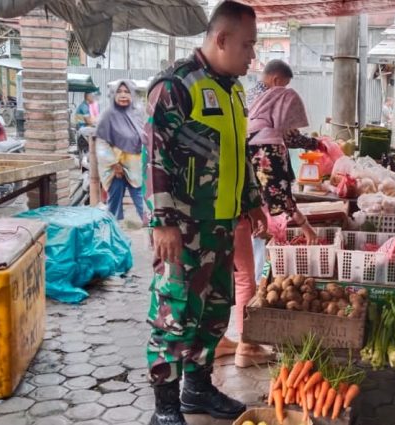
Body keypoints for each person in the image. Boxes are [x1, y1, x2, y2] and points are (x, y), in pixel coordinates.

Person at [143, 2, 265, 424]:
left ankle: (197, 390)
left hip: (221, 225)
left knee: (213, 310)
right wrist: (162, 222)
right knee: (174, 314)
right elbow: (154, 155)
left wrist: (252, 199)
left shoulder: (233, 90)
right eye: (247, 45)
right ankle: (165, 409)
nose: (252, 55)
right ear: (222, 39)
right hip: (183, 228)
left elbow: (238, 152)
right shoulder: (177, 86)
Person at [221, 59, 319, 368]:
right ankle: (247, 346)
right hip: (242, 215)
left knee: (220, 278)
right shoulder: (268, 143)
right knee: (245, 279)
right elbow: (278, 194)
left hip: (218, 210)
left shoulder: (249, 117)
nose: (290, 125)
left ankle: (218, 340)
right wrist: (305, 226)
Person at [96, 80, 147, 225]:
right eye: (119, 92)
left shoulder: (137, 113)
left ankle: (151, 227)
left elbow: (145, 135)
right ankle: (112, 230)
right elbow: (102, 143)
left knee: (142, 199)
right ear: (113, 94)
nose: (123, 95)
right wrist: (114, 164)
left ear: (132, 95)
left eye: (126, 92)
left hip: (135, 165)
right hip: (115, 168)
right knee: (114, 202)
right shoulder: (108, 115)